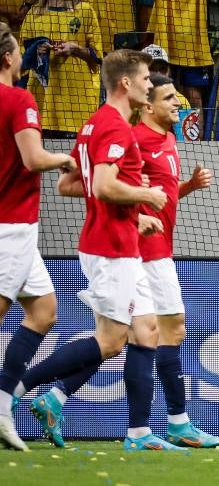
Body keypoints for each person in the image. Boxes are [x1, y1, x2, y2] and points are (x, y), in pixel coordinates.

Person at [29, 73, 219, 450]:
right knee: (151, 333)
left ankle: (56, 398)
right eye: (169, 98)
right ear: (148, 104)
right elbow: (94, 188)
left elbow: (156, 195)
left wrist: (187, 188)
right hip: (139, 250)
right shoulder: (133, 137)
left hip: (157, 247)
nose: (177, 105)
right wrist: (136, 218)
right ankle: (166, 425)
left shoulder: (168, 138)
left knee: (130, 338)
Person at [6, 49, 168, 450]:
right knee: (112, 340)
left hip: (116, 238)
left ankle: (137, 433)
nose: (151, 85)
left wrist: (134, 214)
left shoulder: (94, 125)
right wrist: (146, 194)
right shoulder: (115, 128)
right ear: (126, 83)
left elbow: (73, 185)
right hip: (110, 246)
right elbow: (103, 186)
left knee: (143, 330)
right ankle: (13, 391)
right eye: (147, 79)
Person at [0, 21, 76, 452]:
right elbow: (32, 159)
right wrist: (64, 157)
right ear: (9, 58)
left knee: (44, 311)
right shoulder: (19, 98)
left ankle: (2, 405)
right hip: (10, 225)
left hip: (18, 229)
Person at [20, 0, 102, 138]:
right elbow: (22, 57)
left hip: (77, 101)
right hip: (43, 101)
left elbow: (97, 55)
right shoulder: (34, 14)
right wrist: (37, 51)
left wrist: (75, 49)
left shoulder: (85, 11)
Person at [142, 0, 219, 132]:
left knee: (194, 97)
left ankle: (195, 141)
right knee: (160, 93)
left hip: (194, 43)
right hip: (165, 40)